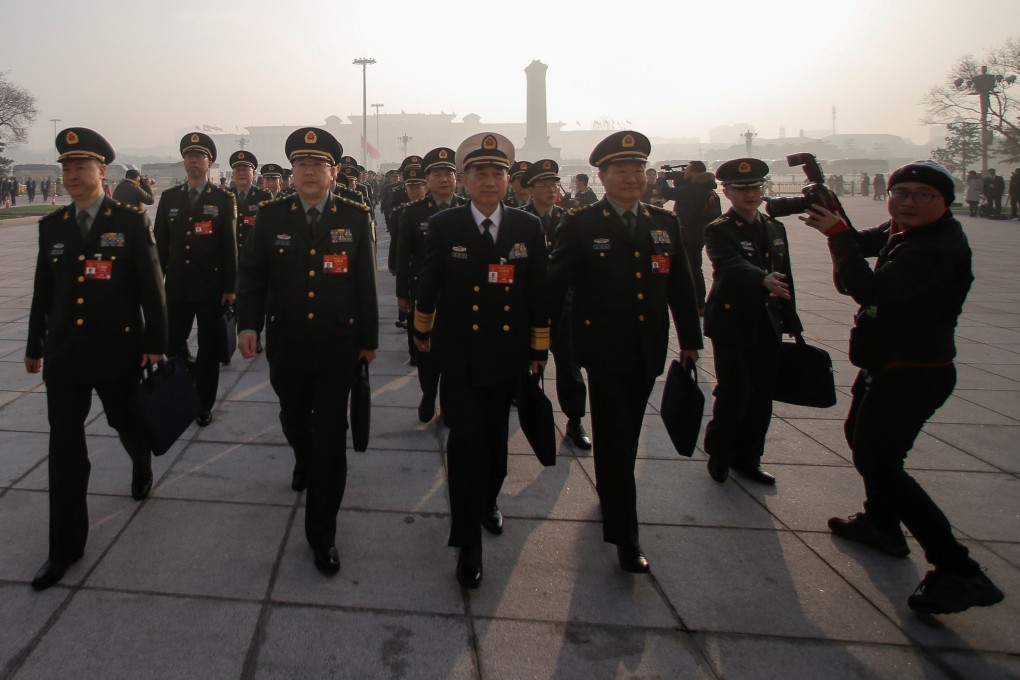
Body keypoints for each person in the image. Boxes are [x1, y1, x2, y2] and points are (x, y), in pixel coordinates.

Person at [800, 160, 1005, 616]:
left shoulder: (934, 248)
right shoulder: (905, 230)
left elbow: (868, 289)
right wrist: (835, 215)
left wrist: (836, 235)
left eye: (923, 195)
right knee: (861, 440)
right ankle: (880, 523)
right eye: (901, 192)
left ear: (945, 202)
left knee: (881, 461)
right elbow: (861, 242)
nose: (909, 202)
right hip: (887, 361)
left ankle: (958, 569)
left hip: (915, 371)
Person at [549, 131, 703, 574]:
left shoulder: (663, 222)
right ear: (602, 176)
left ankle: (613, 494)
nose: (632, 178)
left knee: (627, 435)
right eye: (622, 170)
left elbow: (681, 286)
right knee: (616, 439)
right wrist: (539, 341)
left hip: (648, 346)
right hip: (602, 349)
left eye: (638, 170)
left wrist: (690, 341)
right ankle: (625, 536)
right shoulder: (581, 224)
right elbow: (555, 287)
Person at [25, 127, 167, 591]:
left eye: (80, 167)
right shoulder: (53, 226)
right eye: (66, 168)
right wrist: (34, 345)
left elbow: (151, 287)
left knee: (125, 422)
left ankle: (141, 460)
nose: (72, 175)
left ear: (101, 171)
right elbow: (44, 292)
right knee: (66, 451)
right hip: (65, 353)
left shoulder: (129, 222)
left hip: (116, 349)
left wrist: (155, 341)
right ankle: (64, 549)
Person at [236, 127, 378, 575]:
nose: (309, 171)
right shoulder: (272, 216)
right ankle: (303, 455)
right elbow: (253, 275)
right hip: (289, 344)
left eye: (318, 164)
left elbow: (365, 282)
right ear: (291, 172)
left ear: (333, 172)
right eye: (301, 164)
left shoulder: (354, 216)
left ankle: (322, 534)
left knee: (331, 438)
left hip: (338, 345)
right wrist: (247, 324)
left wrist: (369, 341)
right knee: (294, 418)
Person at [413, 132, 549, 589]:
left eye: (497, 173)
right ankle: (467, 538)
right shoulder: (445, 224)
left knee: (495, 443)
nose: (489, 181)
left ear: (508, 180)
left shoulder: (528, 227)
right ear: (465, 180)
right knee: (465, 442)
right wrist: (422, 331)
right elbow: (429, 281)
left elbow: (538, 290)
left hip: (508, 353)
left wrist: (539, 347)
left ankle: (489, 498)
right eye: (480, 173)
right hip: (460, 352)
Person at [702, 158, 803, 486]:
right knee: (734, 391)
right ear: (727, 192)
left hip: (766, 322)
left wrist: (791, 318)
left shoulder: (775, 228)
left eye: (756, 187)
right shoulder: (719, 229)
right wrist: (761, 278)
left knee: (761, 394)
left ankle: (749, 457)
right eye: (741, 188)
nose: (750, 194)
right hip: (731, 320)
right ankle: (720, 452)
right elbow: (729, 264)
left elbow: (785, 275)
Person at [153, 132, 237, 427]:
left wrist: (230, 287)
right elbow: (160, 246)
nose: (193, 161)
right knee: (172, 344)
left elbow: (229, 247)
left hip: (210, 286)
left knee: (209, 348)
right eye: (188, 156)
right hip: (177, 286)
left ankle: (203, 403)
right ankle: (191, 372)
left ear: (209, 163)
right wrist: (157, 285)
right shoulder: (170, 198)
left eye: (199, 156)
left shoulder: (222, 199)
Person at [520, 158, 591, 450]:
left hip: (564, 306)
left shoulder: (570, 220)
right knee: (524, 362)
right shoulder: (519, 220)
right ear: (530, 189)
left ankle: (574, 419)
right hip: (528, 305)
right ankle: (527, 407)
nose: (551, 189)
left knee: (569, 365)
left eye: (554, 184)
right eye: (544, 185)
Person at [395, 146, 465, 422]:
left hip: (458, 294)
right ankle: (427, 393)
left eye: (449, 173)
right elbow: (403, 255)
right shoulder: (414, 212)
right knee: (425, 351)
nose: (444, 179)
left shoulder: (467, 209)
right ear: (428, 180)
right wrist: (402, 293)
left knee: (454, 352)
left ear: (456, 177)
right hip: (424, 293)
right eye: (437, 174)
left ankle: (448, 404)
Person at [657, 160, 721, 312]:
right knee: (694, 268)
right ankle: (698, 302)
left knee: (691, 269)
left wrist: (661, 180)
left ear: (694, 172)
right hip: (699, 233)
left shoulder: (693, 189)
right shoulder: (708, 188)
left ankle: (697, 303)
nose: (684, 172)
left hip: (689, 234)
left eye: (687, 170)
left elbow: (668, 193)